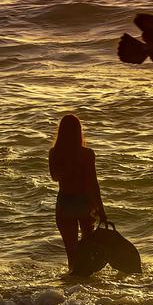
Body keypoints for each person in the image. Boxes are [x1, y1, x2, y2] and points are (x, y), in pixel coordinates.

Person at [48, 114, 106, 268]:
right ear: (79, 131)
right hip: (84, 204)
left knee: (71, 252)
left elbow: (55, 177)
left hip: (64, 204)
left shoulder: (54, 153)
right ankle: (86, 283)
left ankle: (72, 284)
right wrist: (101, 210)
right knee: (87, 249)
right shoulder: (87, 154)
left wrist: (67, 164)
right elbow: (93, 184)